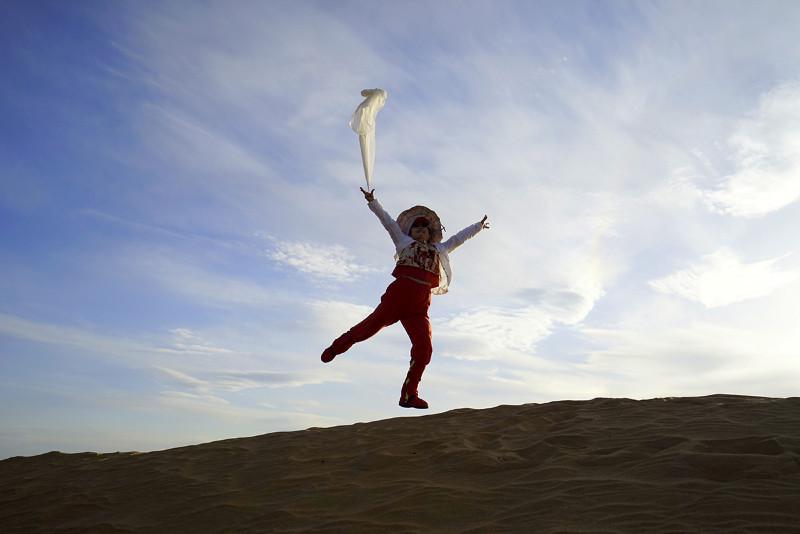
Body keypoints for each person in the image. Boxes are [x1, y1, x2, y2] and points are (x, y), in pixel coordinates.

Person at [321, 187, 489, 409]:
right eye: (416, 228)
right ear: (411, 232)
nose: (420, 231)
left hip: (419, 307)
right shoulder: (403, 243)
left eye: (423, 229)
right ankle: (336, 347)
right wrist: (373, 202)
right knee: (367, 329)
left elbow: (458, 238)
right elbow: (389, 223)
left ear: (430, 233)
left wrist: (477, 227)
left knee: (424, 348)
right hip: (397, 298)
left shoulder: (439, 249)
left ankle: (409, 395)